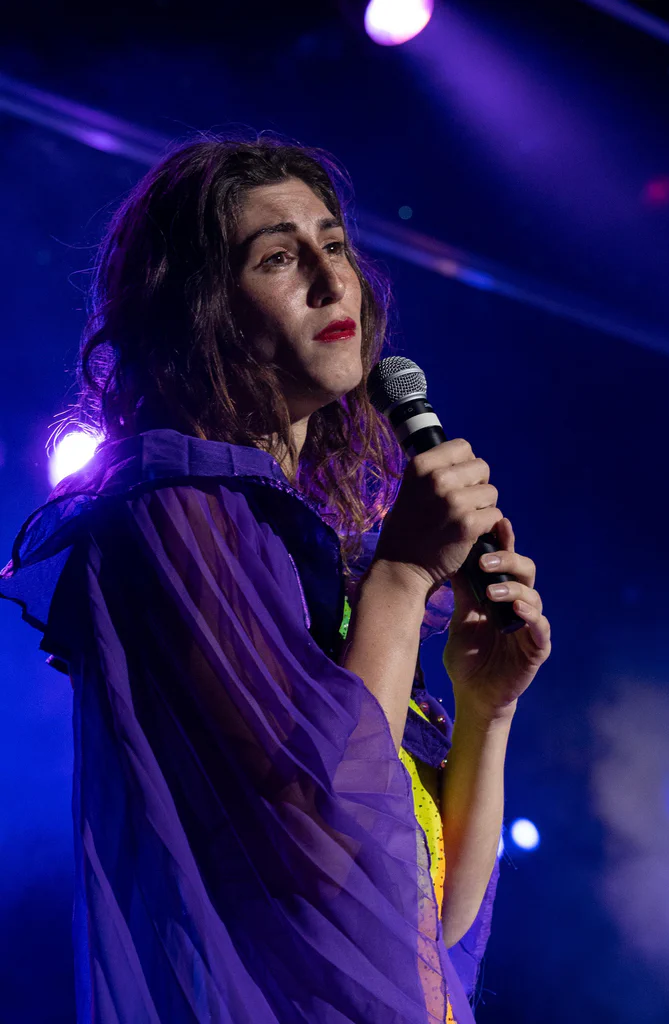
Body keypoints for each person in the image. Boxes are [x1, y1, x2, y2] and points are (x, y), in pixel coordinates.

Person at [0, 136, 551, 1023]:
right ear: (202, 310)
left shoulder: (314, 549)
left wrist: (486, 707)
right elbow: (325, 851)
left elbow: (422, 924)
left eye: (333, 247)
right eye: (278, 259)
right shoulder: (171, 510)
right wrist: (405, 575)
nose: (334, 285)